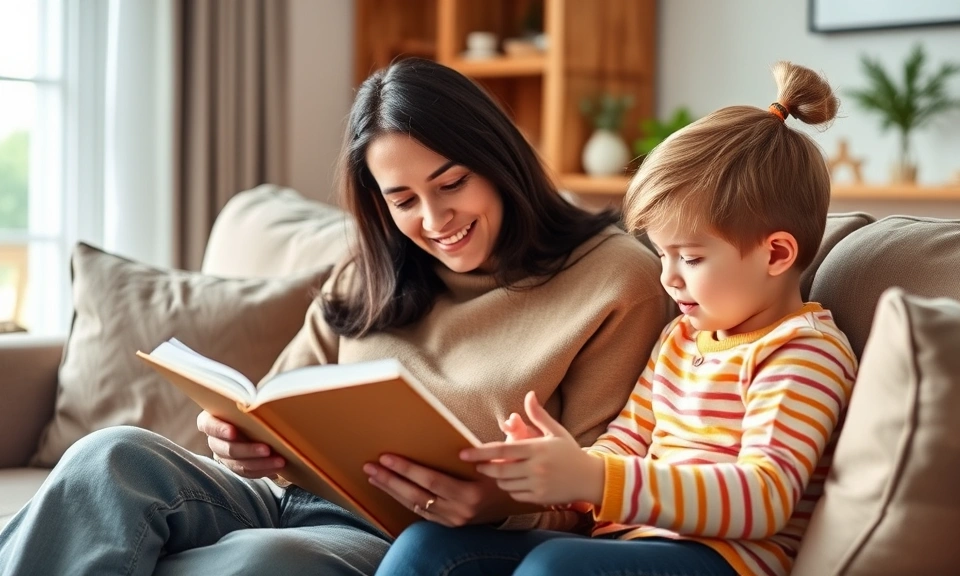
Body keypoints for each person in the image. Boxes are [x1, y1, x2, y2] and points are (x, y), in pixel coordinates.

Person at [0, 58, 673, 576]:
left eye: (451, 184)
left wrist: (503, 508)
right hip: (280, 498)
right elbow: (278, 399)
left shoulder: (616, 278)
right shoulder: (374, 268)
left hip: (396, 536)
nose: (434, 222)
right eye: (403, 199)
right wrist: (237, 437)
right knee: (107, 455)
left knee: (262, 564)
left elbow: (608, 486)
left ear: (500, 162)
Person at [376, 61, 859, 576]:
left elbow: (764, 497)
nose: (667, 277)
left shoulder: (802, 351)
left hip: (722, 561)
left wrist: (594, 478)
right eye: (661, 254)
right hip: (628, 545)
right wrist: (557, 471)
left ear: (777, 254)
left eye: (690, 258)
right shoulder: (680, 337)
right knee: (429, 545)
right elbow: (626, 442)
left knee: (556, 567)